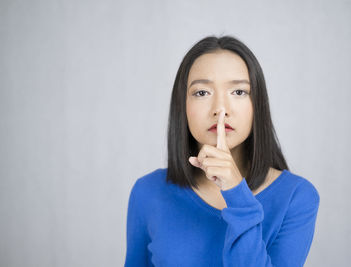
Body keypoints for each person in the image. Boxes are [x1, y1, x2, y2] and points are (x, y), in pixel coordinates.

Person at [124, 35, 320, 267]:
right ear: (182, 106)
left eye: (238, 92)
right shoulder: (148, 191)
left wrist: (237, 193)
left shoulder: (296, 196)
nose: (220, 109)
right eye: (202, 93)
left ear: (257, 105)